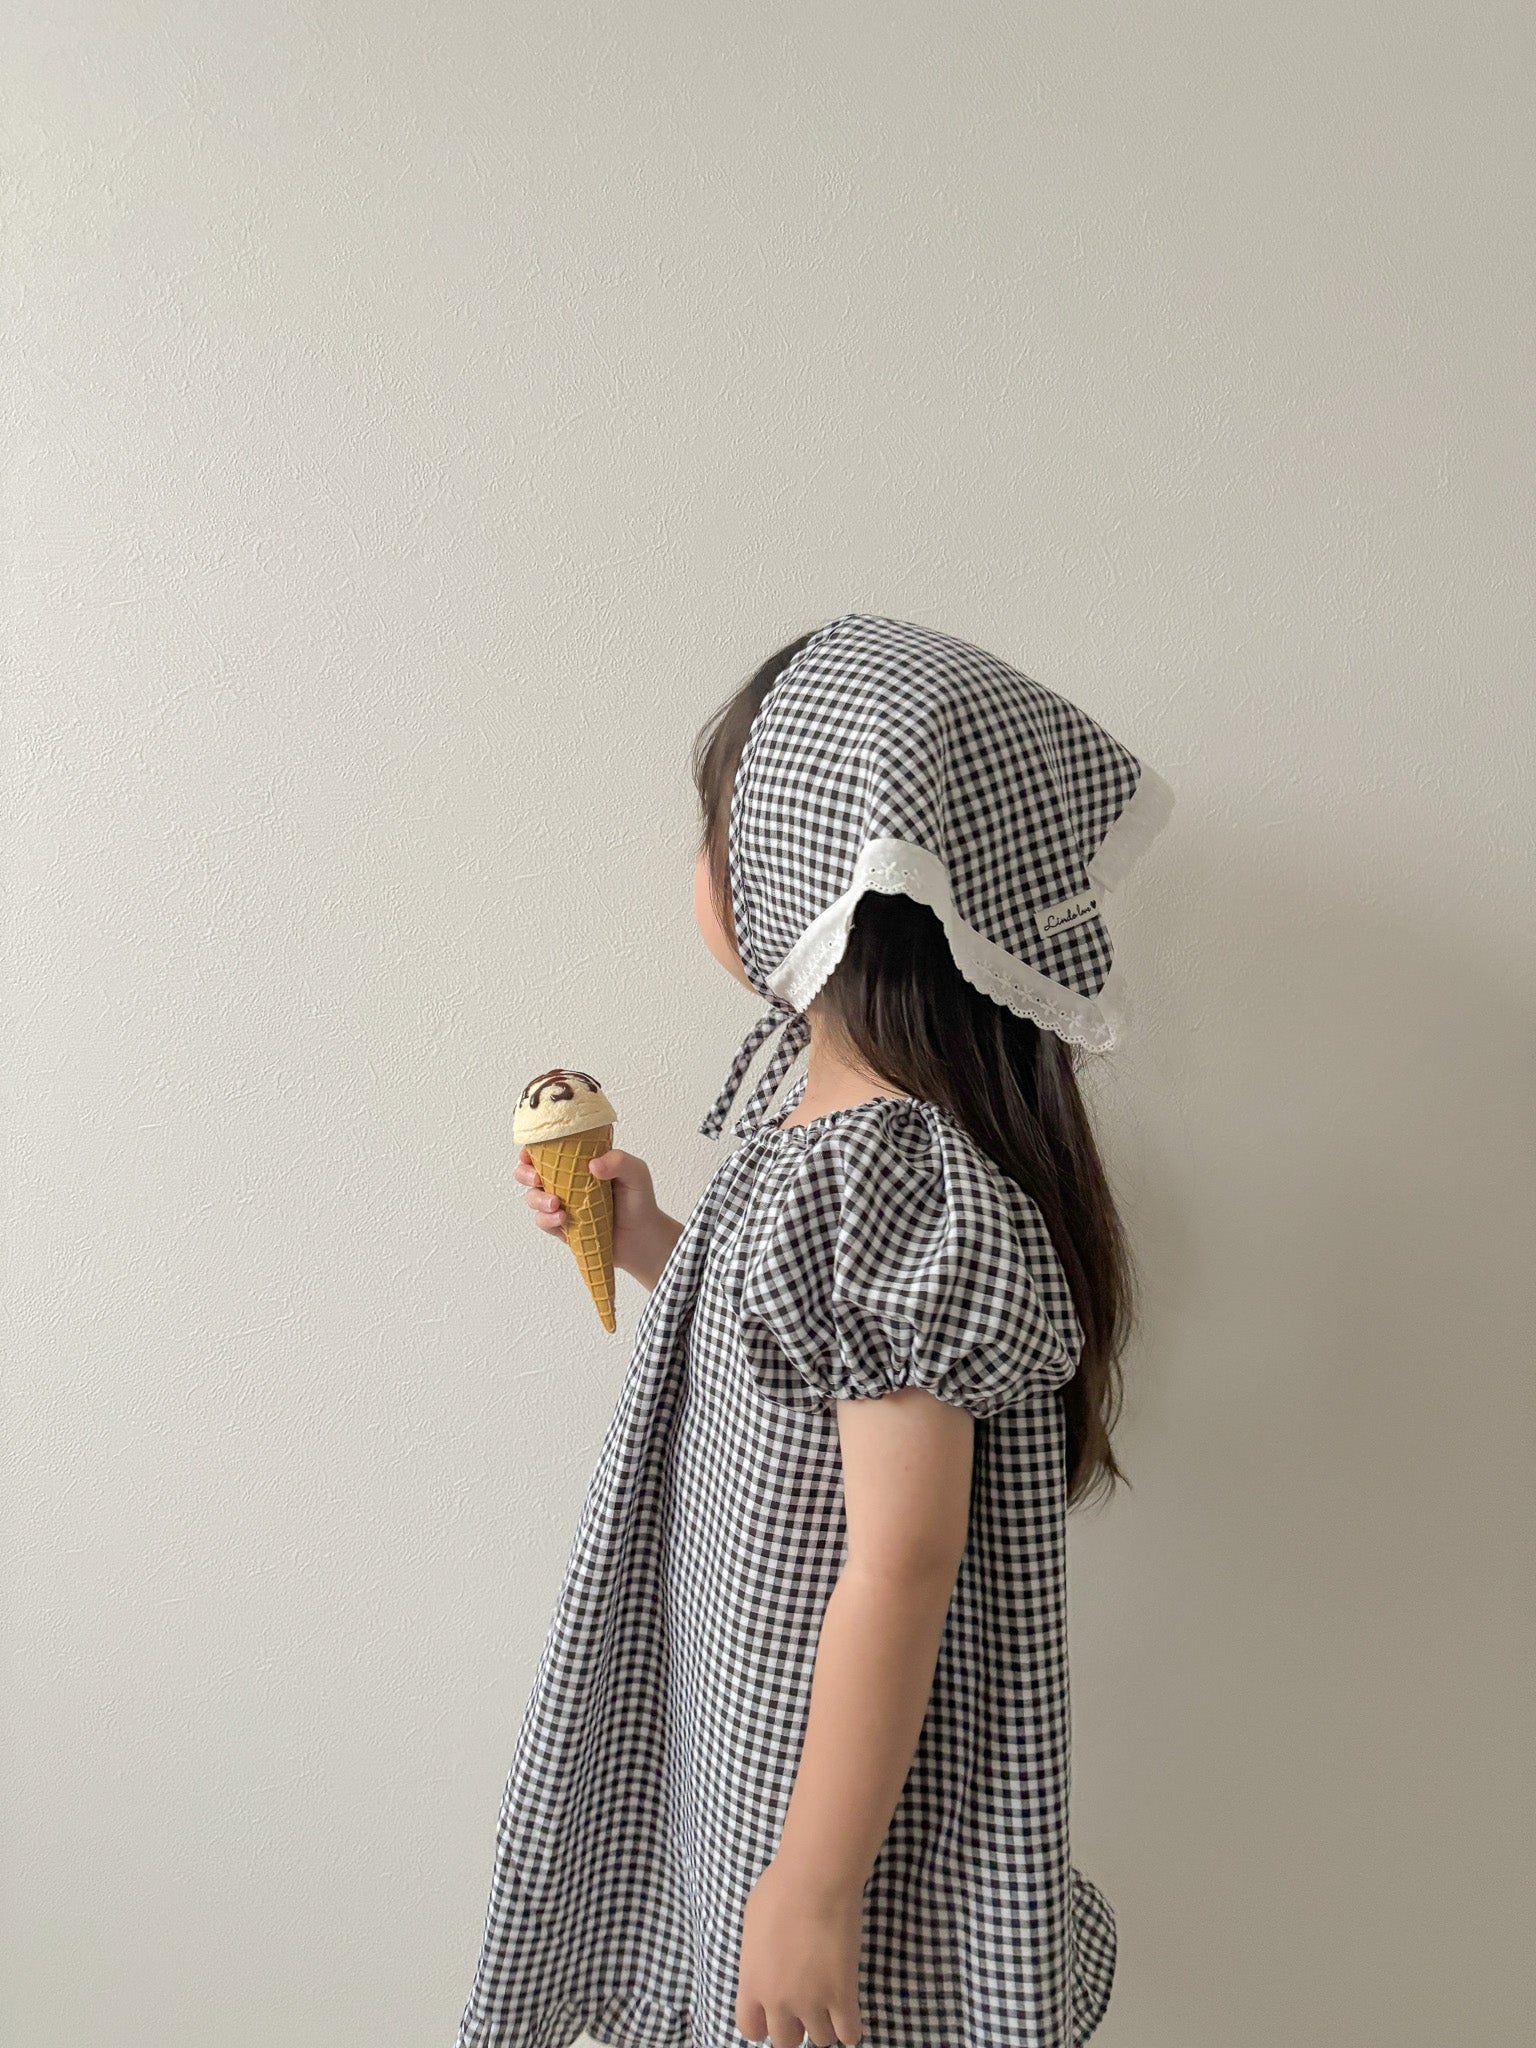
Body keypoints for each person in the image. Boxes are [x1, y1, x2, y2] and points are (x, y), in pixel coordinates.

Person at [454, 612, 1175, 2048]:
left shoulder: (886, 1172)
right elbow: (797, 1360)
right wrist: (653, 1241)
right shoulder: (825, 1152)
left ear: (801, 867)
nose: (704, 868)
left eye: (717, 831)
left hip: (822, 1780)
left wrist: (813, 1886)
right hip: (754, 1709)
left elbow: (904, 1557)